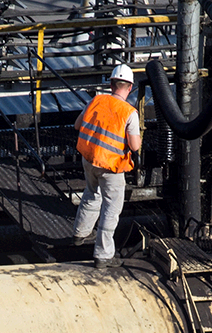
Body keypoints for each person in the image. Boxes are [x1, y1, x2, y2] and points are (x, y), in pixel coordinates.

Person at [72, 64, 142, 269]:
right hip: (111, 167)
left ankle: (80, 233)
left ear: (111, 84)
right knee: (111, 208)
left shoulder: (96, 100)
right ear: (129, 88)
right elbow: (135, 146)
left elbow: (77, 126)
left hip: (89, 159)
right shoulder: (129, 113)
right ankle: (103, 255)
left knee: (92, 194)